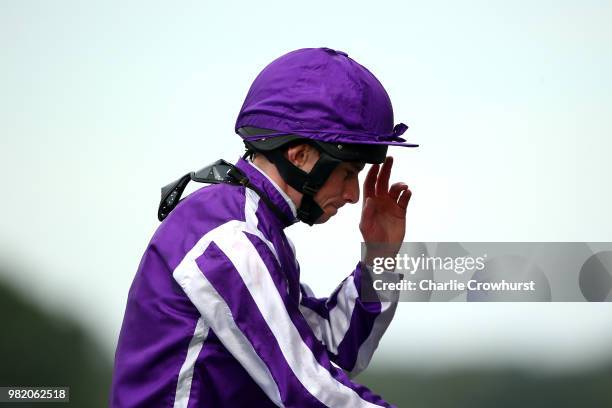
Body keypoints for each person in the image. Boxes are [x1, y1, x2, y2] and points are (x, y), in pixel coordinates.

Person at [110, 47, 417, 407]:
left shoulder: (256, 228)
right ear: (299, 154)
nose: (353, 195)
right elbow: (307, 387)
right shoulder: (229, 236)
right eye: (347, 173)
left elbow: (334, 346)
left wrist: (380, 257)